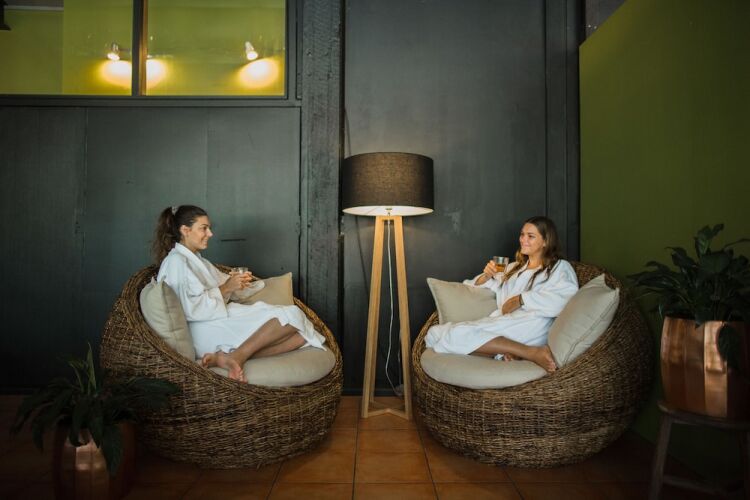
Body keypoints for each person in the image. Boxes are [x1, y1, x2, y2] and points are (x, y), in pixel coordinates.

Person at [152, 205, 326, 382]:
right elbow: (190, 309)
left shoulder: (197, 260)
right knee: (292, 315)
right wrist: (227, 287)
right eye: (203, 228)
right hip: (203, 329)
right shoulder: (176, 262)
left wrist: (240, 283)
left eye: (209, 228)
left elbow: (223, 285)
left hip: (216, 318)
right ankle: (237, 356)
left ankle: (230, 357)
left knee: (300, 336)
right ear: (185, 230)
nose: (210, 233)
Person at [425, 216, 578, 372]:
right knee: (433, 334)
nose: (523, 239)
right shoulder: (514, 267)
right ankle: (509, 351)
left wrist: (521, 299)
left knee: (455, 335)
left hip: (531, 324)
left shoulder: (559, 267)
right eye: (522, 234)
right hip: (504, 321)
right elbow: (472, 285)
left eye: (530, 236)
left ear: (545, 241)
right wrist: (487, 276)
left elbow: (566, 299)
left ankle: (532, 352)